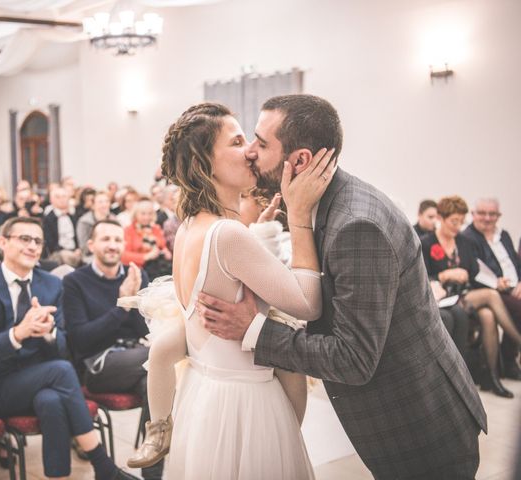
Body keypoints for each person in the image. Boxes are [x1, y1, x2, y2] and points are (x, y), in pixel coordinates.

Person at [197, 95, 487, 479]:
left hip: (420, 423)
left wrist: (254, 329)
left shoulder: (356, 226)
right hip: (408, 408)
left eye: (261, 143)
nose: (251, 152)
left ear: (299, 160)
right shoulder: (325, 202)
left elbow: (353, 358)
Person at [130, 103, 329, 479]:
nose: (251, 151)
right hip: (245, 403)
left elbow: (238, 276)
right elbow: (307, 304)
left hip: (206, 395)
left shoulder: (191, 225)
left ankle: (158, 430)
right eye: (237, 142)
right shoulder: (228, 233)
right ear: (205, 164)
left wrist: (263, 232)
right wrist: (299, 216)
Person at [0, 216, 137, 480]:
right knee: (62, 371)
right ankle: (103, 466)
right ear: (3, 242)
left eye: (38, 241)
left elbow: (64, 347)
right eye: (24, 239)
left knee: (52, 401)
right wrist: (18, 333)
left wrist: (50, 333)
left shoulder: (51, 284)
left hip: (42, 382)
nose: (32, 246)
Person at [63, 219, 162, 480]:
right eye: (106, 239)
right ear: (91, 244)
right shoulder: (75, 282)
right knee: (163, 356)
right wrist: (122, 304)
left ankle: (150, 473)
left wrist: (135, 299)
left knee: (155, 384)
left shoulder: (136, 275)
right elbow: (81, 340)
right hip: (97, 366)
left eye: (118, 240)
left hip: (135, 360)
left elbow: (144, 331)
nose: (112, 246)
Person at [421, 195, 521, 397]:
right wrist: (444, 275)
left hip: (464, 296)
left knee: (488, 315)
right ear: (441, 218)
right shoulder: (427, 242)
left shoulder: (463, 241)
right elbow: (422, 276)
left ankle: (492, 379)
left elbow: (475, 271)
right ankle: (518, 338)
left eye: (461, 221)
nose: (457, 227)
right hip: (441, 297)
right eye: (453, 222)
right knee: (492, 296)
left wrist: (487, 278)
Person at [463, 197, 521, 380]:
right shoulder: (467, 238)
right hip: (493, 291)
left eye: (492, 214)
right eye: (482, 213)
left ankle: (509, 359)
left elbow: (516, 263)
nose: (487, 218)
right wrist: (497, 283)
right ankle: (509, 361)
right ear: (473, 214)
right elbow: (473, 273)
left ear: (498, 216)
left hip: (515, 286)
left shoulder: (503, 235)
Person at [121, 198, 172, 280]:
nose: (147, 217)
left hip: (158, 270)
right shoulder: (128, 230)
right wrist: (146, 256)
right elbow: (123, 256)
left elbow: (162, 245)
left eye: (150, 214)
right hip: (138, 272)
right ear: (135, 214)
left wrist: (166, 251)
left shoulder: (156, 228)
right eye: (143, 214)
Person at [42, 186, 81, 267]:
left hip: (75, 250)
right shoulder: (48, 218)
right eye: (58, 197)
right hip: (58, 253)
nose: (62, 199)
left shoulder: (74, 216)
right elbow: (49, 242)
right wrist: (64, 251)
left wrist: (78, 249)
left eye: (64, 196)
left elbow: (78, 236)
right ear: (51, 200)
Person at [76, 190, 115, 262]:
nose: (104, 204)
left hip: (111, 252)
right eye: (100, 202)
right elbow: (84, 248)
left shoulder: (114, 220)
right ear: (93, 205)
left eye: (107, 201)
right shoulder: (84, 222)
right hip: (91, 256)